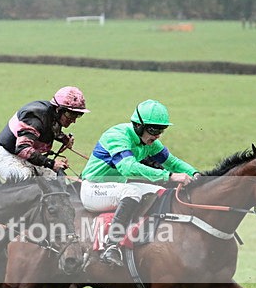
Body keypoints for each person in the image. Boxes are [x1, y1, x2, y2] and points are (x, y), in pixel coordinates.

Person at [80, 99, 200, 267]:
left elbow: (172, 162)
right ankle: (111, 245)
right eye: (153, 130)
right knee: (132, 192)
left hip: (115, 187)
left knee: (160, 191)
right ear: (138, 126)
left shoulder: (149, 142)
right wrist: (170, 176)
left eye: (161, 130)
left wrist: (196, 174)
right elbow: (127, 168)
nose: (157, 135)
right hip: (93, 190)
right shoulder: (117, 135)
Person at [0, 86, 90, 180]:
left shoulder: (53, 116)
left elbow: (49, 130)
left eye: (77, 115)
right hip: (7, 157)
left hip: (27, 160)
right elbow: (22, 149)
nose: (73, 120)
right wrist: (52, 163)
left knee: (55, 180)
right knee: (28, 181)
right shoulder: (35, 116)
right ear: (58, 110)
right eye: (70, 114)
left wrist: (64, 139)